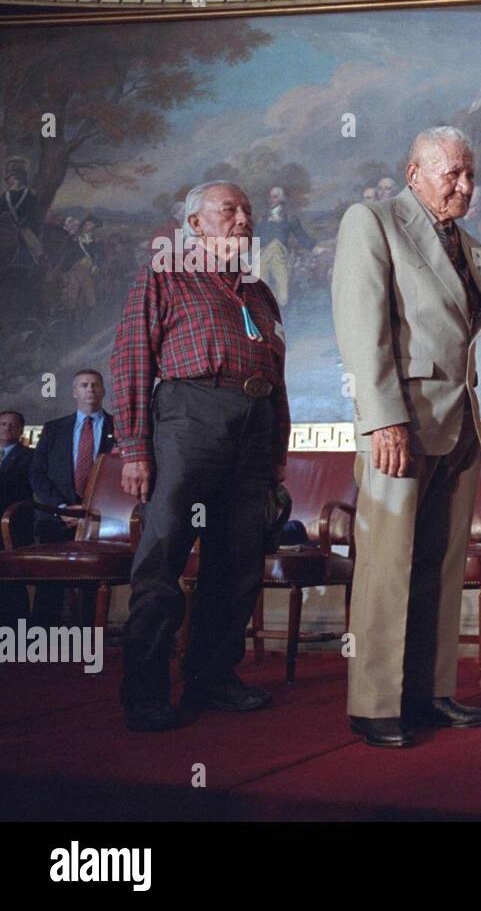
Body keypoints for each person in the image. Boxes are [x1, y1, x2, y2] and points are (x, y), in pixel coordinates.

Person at [331, 126, 481, 748]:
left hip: (457, 423)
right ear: (413, 174)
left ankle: (428, 691)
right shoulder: (371, 221)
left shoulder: (464, 242)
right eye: (452, 172)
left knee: (440, 565)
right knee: (386, 565)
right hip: (400, 423)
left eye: (470, 173)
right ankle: (374, 702)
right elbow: (360, 324)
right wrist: (381, 418)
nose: (464, 184)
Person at [111, 180, 290, 733]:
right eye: (229, 210)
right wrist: (136, 448)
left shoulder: (259, 291)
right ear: (193, 224)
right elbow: (132, 357)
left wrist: (277, 452)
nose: (243, 220)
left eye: (248, 211)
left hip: (254, 426)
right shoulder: (163, 274)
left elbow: (278, 376)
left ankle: (213, 678)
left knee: (237, 562)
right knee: (163, 557)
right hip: (190, 416)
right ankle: (145, 691)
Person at [28, 369, 117, 627]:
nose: (90, 389)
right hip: (56, 519)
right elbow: (37, 473)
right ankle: (42, 640)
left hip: (101, 520)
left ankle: (89, 640)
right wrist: (63, 508)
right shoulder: (54, 429)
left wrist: (90, 510)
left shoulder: (119, 428)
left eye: (96, 385)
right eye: (84, 385)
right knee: (50, 583)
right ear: (74, 392)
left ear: (103, 390)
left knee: (93, 583)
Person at [256, 185, 317, 309]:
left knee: (283, 294)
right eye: (270, 196)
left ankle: (281, 314)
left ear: (282, 199)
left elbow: (301, 235)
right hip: (262, 255)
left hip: (279, 255)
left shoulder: (289, 218)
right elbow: (255, 236)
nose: (271, 199)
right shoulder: (263, 217)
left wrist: (314, 248)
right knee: (260, 291)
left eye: (275, 196)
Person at [0, 410, 34, 625]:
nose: (7, 428)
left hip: (13, 524)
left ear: (21, 429)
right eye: (3, 424)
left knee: (12, 577)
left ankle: (16, 627)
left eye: (12, 425)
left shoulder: (30, 456)